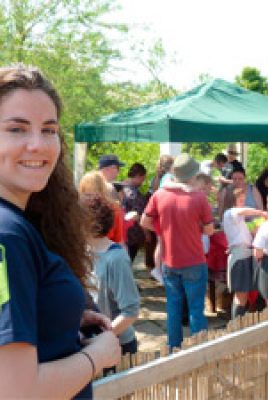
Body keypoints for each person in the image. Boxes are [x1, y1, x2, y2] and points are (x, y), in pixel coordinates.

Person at [0, 65, 120, 398]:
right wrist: (100, 355)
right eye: (16, 129)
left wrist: (59, 313)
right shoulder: (6, 235)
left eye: (49, 130)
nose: (37, 145)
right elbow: (16, 392)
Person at [141, 153, 214, 349]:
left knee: (173, 308)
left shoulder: (159, 194)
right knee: (196, 309)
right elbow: (209, 229)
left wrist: (164, 230)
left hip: (170, 261)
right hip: (194, 260)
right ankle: (199, 349)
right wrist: (194, 227)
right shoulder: (198, 198)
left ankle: (174, 348)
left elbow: (144, 221)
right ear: (193, 176)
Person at [81, 194, 140, 358]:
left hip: (118, 346)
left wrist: (102, 340)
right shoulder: (80, 253)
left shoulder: (116, 259)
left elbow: (131, 311)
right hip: (91, 345)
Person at [222, 186, 268, 318]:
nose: (243, 203)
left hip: (243, 255)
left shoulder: (237, 218)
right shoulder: (230, 213)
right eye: (240, 200)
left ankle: (238, 324)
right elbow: (241, 211)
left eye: (243, 200)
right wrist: (261, 213)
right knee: (241, 295)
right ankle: (236, 325)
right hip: (240, 257)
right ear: (232, 200)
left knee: (244, 295)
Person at [121, 162, 156, 268]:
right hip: (133, 234)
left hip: (122, 232)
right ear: (138, 176)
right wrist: (146, 233)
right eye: (143, 178)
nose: (143, 181)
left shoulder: (120, 187)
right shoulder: (134, 194)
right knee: (128, 262)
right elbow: (139, 216)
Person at [79, 170, 124, 244]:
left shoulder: (114, 209)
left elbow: (118, 238)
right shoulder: (75, 209)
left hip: (105, 252)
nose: (91, 198)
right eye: (87, 194)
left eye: (95, 194)